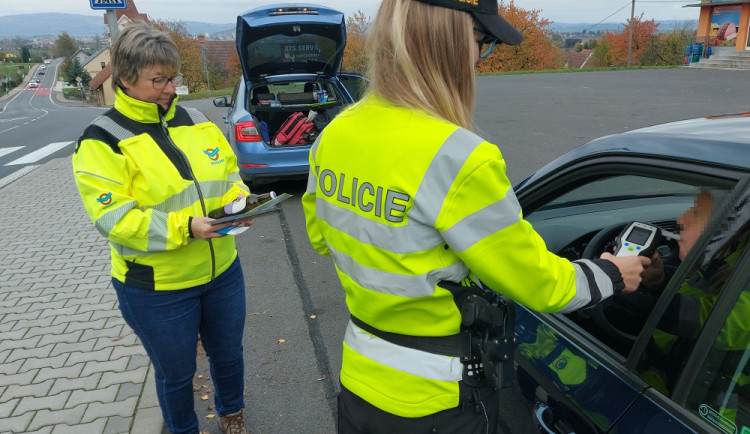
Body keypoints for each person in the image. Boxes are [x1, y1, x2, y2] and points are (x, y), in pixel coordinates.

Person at [301, 0, 650, 432]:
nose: (479, 58)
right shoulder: (461, 157)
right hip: (437, 402)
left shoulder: (336, 133)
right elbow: (538, 284)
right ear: (447, 39)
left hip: (360, 381)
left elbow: (322, 237)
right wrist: (613, 273)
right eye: (481, 41)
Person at [72, 21, 250, 434]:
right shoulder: (102, 141)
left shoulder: (196, 121)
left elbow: (228, 173)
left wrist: (239, 200)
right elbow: (113, 219)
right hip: (157, 288)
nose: (171, 88)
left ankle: (233, 417)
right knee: (177, 375)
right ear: (125, 80)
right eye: (159, 80)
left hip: (222, 271)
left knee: (228, 356)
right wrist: (186, 226)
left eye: (174, 77)